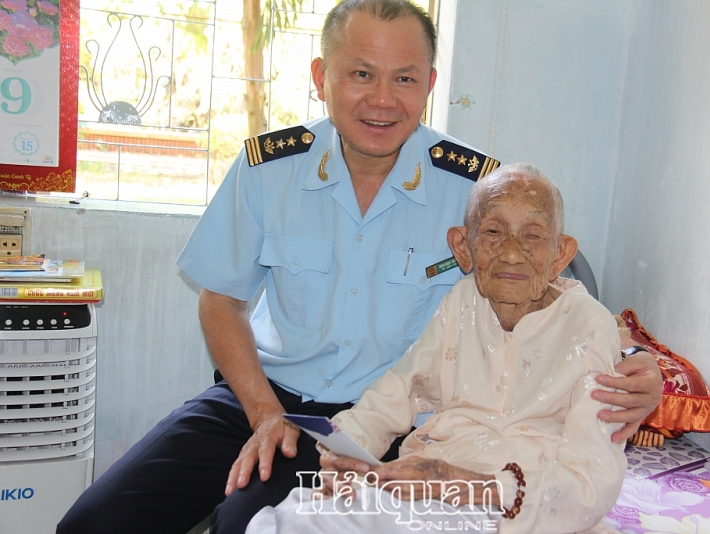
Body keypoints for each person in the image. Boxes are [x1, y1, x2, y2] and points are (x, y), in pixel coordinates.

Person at [57, 2, 661, 534]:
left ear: (427, 83)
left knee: (245, 523)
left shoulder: (473, 187)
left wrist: (638, 366)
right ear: (322, 77)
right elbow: (220, 301)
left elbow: (547, 287)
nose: (382, 98)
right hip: (263, 398)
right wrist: (264, 412)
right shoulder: (268, 169)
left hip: (394, 423)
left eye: (404, 78)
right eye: (361, 74)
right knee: (93, 522)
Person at [245, 164, 628, 534]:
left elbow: (592, 480)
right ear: (463, 247)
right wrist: (349, 447)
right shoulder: (463, 301)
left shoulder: (588, 325)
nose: (512, 253)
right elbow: (398, 391)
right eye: (494, 231)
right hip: (427, 481)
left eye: (532, 236)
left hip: (513, 506)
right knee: (288, 517)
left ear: (560, 254)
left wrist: (459, 484)